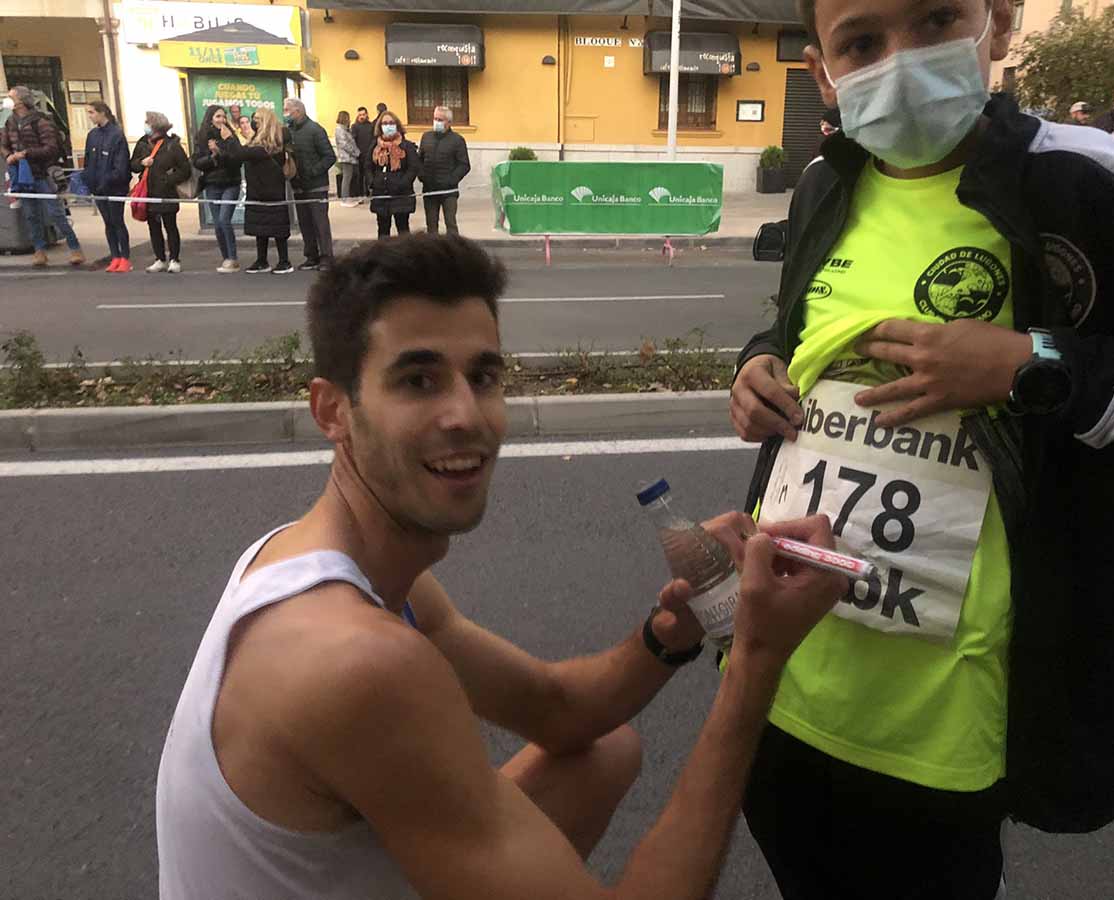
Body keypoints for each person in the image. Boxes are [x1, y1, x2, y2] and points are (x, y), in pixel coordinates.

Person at [155, 232, 847, 900]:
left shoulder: (311, 558)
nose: (466, 415)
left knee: (605, 751)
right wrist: (756, 661)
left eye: (483, 376)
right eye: (418, 380)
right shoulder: (355, 662)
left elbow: (557, 708)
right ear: (332, 410)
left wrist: (675, 632)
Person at [730, 1, 1114, 898]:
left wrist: (1037, 367)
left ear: (1001, 21)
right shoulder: (824, 185)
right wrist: (758, 368)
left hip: (944, 732)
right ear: (824, 72)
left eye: (937, 19)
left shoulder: (1087, 182)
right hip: (784, 680)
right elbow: (798, 335)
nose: (901, 61)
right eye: (862, 42)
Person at [1, 85, 84, 268]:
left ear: (21, 101)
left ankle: (75, 248)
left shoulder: (41, 121)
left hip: (42, 174)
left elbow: (51, 148)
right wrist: (8, 155)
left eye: (11, 97)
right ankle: (39, 251)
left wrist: (26, 153)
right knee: (30, 214)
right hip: (22, 176)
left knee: (55, 212)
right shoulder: (10, 121)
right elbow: (3, 143)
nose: (8, 100)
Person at [224, 108, 292, 274]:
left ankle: (284, 261)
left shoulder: (271, 144)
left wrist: (230, 138)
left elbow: (242, 153)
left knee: (278, 228)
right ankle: (262, 260)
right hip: (257, 191)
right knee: (260, 228)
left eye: (257, 120)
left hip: (272, 191)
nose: (254, 123)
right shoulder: (257, 140)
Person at [130, 111, 191, 274]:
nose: (145, 126)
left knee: (170, 226)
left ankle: (174, 259)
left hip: (166, 193)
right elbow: (133, 165)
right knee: (153, 227)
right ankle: (159, 258)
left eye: (147, 122)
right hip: (148, 193)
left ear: (156, 126)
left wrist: (168, 180)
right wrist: (142, 163)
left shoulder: (172, 145)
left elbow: (185, 170)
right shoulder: (142, 144)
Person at [282, 97, 336, 271]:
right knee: (305, 222)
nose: (285, 113)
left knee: (320, 223)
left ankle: (326, 257)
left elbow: (329, 157)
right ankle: (311, 256)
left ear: (298, 111)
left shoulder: (315, 130)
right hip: (298, 185)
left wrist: (313, 171)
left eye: (287, 110)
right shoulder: (288, 132)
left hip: (316, 185)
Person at [192, 105, 244, 273]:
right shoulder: (202, 137)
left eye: (223, 116)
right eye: (218, 117)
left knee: (224, 220)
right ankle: (226, 257)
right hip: (212, 183)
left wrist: (223, 147)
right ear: (210, 119)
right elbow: (197, 162)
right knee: (217, 224)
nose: (221, 120)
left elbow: (237, 159)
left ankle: (233, 258)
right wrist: (212, 156)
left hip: (231, 182)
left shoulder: (230, 136)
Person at [81, 100, 131, 273]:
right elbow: (88, 161)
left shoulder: (116, 134)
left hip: (114, 187)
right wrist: (88, 180)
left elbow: (121, 165)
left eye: (92, 112)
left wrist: (108, 181)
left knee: (117, 221)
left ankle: (125, 257)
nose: (90, 116)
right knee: (108, 223)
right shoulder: (93, 135)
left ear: (102, 113)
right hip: (98, 188)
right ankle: (115, 256)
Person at [418, 105, 470, 234]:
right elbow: (419, 160)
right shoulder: (426, 137)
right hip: (429, 189)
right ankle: (432, 252)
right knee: (431, 225)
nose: (437, 122)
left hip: (449, 191)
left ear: (449, 122)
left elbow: (464, 165)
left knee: (450, 223)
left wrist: (451, 180)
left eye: (440, 120)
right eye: (435, 119)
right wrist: (421, 175)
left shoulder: (457, 140)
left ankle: (454, 251)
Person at [367, 111, 420, 238]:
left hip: (401, 195)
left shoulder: (406, 146)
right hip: (381, 194)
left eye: (391, 123)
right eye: (385, 123)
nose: (388, 126)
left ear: (397, 125)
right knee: (383, 230)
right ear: (380, 127)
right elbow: (368, 167)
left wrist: (402, 183)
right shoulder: (375, 146)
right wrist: (372, 182)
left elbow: (413, 168)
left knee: (403, 230)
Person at [333, 110, 360, 207]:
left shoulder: (345, 129)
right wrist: (356, 152)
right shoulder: (340, 130)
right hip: (346, 157)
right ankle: (344, 200)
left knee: (349, 177)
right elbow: (344, 144)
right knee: (346, 178)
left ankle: (348, 198)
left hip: (349, 157)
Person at [351, 106, 375, 197]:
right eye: (360, 115)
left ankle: (369, 192)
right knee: (360, 176)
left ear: (367, 114)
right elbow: (352, 141)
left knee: (369, 174)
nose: (362, 116)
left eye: (363, 114)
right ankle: (360, 194)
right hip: (359, 155)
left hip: (369, 154)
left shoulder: (371, 125)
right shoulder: (355, 126)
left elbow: (374, 139)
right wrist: (357, 153)